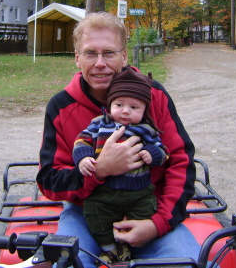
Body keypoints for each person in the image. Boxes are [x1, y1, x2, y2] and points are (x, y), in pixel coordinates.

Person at [36, 11, 199, 268]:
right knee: (66, 263)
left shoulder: (153, 95)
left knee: (187, 264)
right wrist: (99, 170)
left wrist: (158, 223)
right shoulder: (61, 107)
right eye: (90, 53)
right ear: (77, 58)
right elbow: (48, 180)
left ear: (124, 56)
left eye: (109, 53)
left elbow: (180, 160)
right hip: (85, 211)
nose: (100, 63)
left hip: (149, 206)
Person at [72, 67, 169, 264]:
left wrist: (153, 154)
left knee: (146, 211)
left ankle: (128, 246)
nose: (125, 111)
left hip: (139, 193)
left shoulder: (146, 130)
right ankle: (110, 249)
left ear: (144, 111)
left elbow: (164, 150)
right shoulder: (99, 124)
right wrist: (83, 159)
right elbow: (81, 140)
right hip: (105, 192)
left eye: (134, 107)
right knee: (93, 212)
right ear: (109, 104)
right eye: (119, 104)